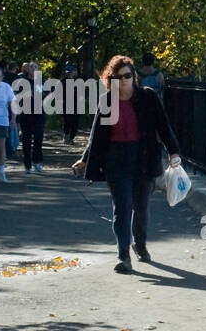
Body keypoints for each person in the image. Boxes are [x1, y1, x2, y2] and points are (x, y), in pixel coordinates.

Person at [72, 55, 181, 274]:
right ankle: (123, 256)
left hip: (143, 158)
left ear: (134, 77)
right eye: (118, 77)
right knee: (122, 209)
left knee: (140, 208)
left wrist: (173, 151)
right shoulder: (107, 101)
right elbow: (97, 134)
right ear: (111, 79)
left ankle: (139, 244)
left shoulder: (147, 98)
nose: (123, 81)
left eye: (128, 76)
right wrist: (85, 158)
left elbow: (163, 126)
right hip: (116, 160)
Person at [16, 61, 45, 173]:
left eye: (36, 67)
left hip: (39, 113)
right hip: (26, 113)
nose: (34, 69)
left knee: (38, 138)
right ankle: (27, 164)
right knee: (26, 139)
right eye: (32, 67)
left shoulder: (41, 81)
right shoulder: (22, 81)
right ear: (27, 69)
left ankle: (37, 161)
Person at [61, 61, 79, 143]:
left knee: (75, 122)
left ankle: (71, 138)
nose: (70, 74)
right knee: (67, 121)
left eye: (71, 73)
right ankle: (66, 136)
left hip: (76, 104)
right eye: (68, 73)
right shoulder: (63, 81)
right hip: (65, 104)